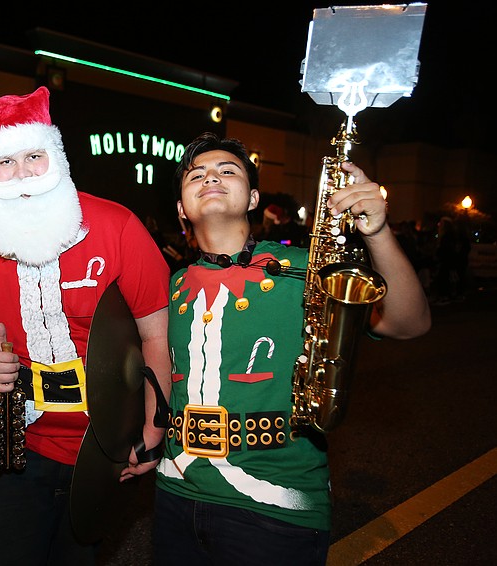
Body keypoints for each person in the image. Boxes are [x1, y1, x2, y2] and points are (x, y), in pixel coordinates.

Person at [153, 133, 431, 565]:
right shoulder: (167, 287)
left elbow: (408, 324)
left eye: (228, 170)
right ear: (180, 209)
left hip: (278, 509)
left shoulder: (307, 269)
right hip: (174, 495)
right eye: (197, 174)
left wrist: (376, 233)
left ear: (253, 198)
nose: (212, 176)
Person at [0, 86, 172, 566]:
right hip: (13, 439)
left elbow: (156, 335)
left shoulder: (117, 228)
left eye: (34, 155)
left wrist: (152, 431)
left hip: (100, 442)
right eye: (5, 162)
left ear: (55, 155)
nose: (22, 174)